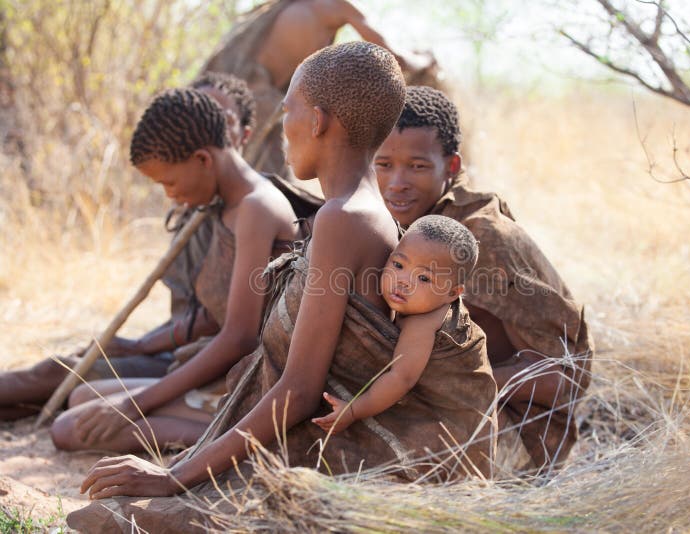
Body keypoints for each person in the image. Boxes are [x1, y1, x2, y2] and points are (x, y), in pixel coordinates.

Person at [69, 45, 500, 531]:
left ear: (317, 120)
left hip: (337, 453)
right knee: (104, 506)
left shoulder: (344, 219)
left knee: (104, 519)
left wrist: (174, 475)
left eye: (287, 109)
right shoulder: (348, 212)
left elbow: (298, 391)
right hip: (304, 437)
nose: (283, 125)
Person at [49, 87, 302, 452]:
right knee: (82, 398)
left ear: (202, 159)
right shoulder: (228, 205)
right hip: (224, 374)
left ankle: (245, 441)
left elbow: (239, 339)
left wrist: (134, 403)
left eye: (169, 182)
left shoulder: (255, 208)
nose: (170, 195)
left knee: (70, 428)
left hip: (253, 383)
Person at [0, 73, 263, 422]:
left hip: (202, 365)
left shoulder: (250, 211)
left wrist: (141, 349)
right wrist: (138, 344)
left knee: (65, 382)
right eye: (200, 113)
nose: (207, 125)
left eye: (221, 119)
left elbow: (225, 325)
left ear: (243, 135)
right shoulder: (195, 205)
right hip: (175, 352)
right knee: (62, 378)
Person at [373, 86, 594, 470]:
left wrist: (456, 381)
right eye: (384, 164)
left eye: (418, 166)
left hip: (516, 433)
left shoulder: (484, 238)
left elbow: (565, 379)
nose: (397, 182)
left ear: (453, 167)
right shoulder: (391, 225)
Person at [203, 0, 437, 176]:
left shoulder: (297, 6)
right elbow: (390, 54)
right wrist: (425, 60)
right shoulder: (335, 5)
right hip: (255, 93)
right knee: (272, 175)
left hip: (243, 93)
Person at [312, 214, 479, 434]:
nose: (403, 281)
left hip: (458, 424)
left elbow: (401, 378)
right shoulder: (420, 303)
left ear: (452, 293)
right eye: (399, 265)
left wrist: (354, 411)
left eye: (424, 279)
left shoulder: (423, 324)